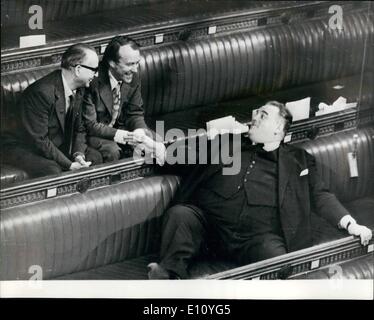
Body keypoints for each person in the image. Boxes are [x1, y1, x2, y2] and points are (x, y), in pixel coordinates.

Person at [147, 101, 373, 279]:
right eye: (256, 113)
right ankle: (168, 279)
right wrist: (158, 149)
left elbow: (320, 195)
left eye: (263, 115)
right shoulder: (228, 142)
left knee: (279, 263)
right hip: (208, 227)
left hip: (258, 237)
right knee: (180, 215)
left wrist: (350, 223)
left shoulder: (299, 160)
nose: (254, 118)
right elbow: (186, 154)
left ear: (279, 129)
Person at [2, 43, 102, 178]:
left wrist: (78, 155)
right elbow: (39, 141)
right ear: (78, 70)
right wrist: (70, 165)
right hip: (21, 147)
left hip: (53, 143)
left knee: (94, 158)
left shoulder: (81, 88)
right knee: (52, 170)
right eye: (94, 69)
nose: (96, 74)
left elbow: (80, 129)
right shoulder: (41, 93)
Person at [83, 35, 165, 164]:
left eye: (137, 63)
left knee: (155, 141)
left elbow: (135, 112)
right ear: (112, 63)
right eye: (130, 64)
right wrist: (127, 137)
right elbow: (90, 125)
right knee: (112, 152)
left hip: (121, 129)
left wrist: (139, 132)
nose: (135, 69)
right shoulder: (91, 81)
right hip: (94, 134)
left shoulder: (134, 77)